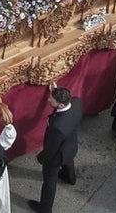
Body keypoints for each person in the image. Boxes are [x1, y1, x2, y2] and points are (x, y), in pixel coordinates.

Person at [29, 85, 82, 213]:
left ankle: (45, 208)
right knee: (69, 162)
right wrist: (55, 90)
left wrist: (40, 158)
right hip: (71, 146)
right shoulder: (76, 102)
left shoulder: (57, 127)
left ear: (61, 106)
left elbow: (51, 150)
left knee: (49, 181)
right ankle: (70, 178)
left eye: (52, 100)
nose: (48, 100)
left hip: (56, 156)